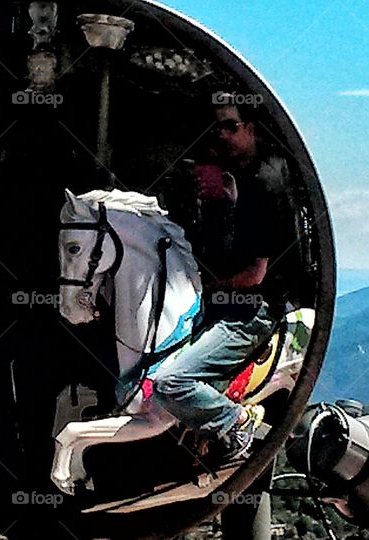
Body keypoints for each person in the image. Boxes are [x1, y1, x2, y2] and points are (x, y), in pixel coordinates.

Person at [151, 91, 289, 459]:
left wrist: (205, 290)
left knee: (171, 382)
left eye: (230, 126)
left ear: (252, 129)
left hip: (253, 310)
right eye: (218, 129)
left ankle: (238, 423)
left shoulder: (265, 182)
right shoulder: (240, 176)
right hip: (233, 302)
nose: (222, 136)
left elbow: (255, 274)